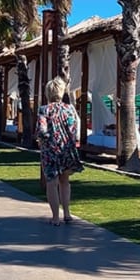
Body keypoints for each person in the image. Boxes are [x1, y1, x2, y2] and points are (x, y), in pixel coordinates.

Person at [35, 77, 83, 226]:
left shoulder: (44, 110)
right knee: (65, 181)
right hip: (67, 148)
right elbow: (74, 128)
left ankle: (55, 217)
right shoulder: (70, 109)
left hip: (51, 150)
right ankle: (67, 213)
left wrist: (43, 141)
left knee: (52, 183)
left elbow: (42, 131)